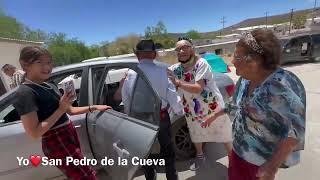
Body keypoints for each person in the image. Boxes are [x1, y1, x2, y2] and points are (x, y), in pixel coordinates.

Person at [202, 29, 306, 180]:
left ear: (254, 60)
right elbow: (235, 105)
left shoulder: (280, 86)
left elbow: (295, 131)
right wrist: (214, 115)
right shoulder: (245, 79)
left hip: (260, 163)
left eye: (237, 56)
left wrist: (271, 167)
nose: (232, 61)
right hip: (239, 152)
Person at [13, 46, 112, 180]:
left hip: (68, 134)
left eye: (48, 62)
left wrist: (95, 107)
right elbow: (34, 133)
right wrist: (61, 108)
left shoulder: (49, 85)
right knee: (86, 176)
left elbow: (70, 110)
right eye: (39, 62)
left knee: (80, 174)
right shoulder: (25, 93)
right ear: (25, 65)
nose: (46, 67)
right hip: (56, 140)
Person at [114, 39, 184, 180]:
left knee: (145, 152)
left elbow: (127, 99)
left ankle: (150, 176)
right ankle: (171, 176)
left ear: (137, 55)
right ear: (154, 55)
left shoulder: (131, 73)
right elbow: (172, 95)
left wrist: (129, 116)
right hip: (161, 117)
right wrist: (180, 111)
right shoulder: (164, 70)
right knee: (167, 150)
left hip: (140, 119)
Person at [168, 37, 232, 171]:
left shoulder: (201, 64)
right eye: (178, 49)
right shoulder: (176, 68)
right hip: (191, 109)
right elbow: (160, 74)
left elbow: (198, 88)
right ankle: (200, 155)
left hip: (211, 107)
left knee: (223, 132)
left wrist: (178, 83)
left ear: (192, 48)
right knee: (195, 132)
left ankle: (232, 159)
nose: (181, 50)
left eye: (185, 47)